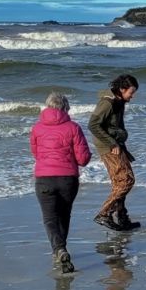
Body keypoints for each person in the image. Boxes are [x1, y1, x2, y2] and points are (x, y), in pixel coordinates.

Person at [30, 92, 91, 273]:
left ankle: (59, 249)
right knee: (64, 215)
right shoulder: (73, 127)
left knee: (50, 218)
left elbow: (35, 153)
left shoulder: (36, 128)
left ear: (47, 106)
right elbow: (83, 159)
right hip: (67, 179)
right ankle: (60, 249)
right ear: (65, 108)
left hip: (44, 179)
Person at [88, 74, 140, 231]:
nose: (133, 96)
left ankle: (122, 217)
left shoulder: (119, 101)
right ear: (122, 89)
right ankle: (104, 214)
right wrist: (111, 143)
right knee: (126, 181)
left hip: (117, 144)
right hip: (109, 147)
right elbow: (93, 125)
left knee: (120, 182)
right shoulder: (107, 103)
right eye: (131, 92)